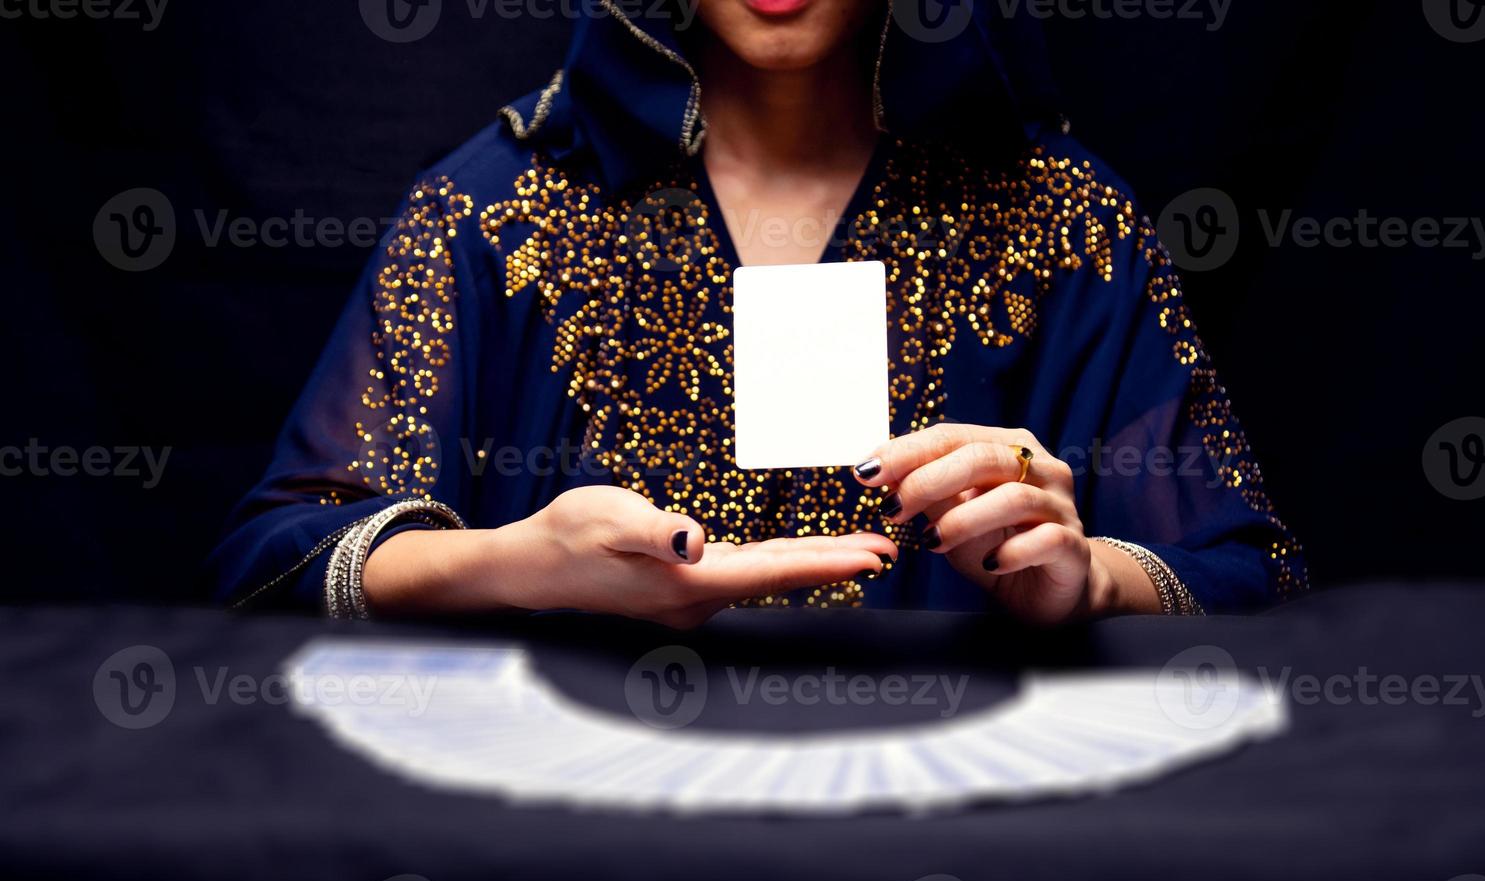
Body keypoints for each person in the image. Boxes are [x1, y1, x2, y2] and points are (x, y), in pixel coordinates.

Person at [211, 0, 1307, 627]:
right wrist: (505, 563)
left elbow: (1260, 585)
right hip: (577, 859)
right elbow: (271, 565)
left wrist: (1091, 575)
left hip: (965, 850)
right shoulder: (495, 214)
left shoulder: (1062, 220)